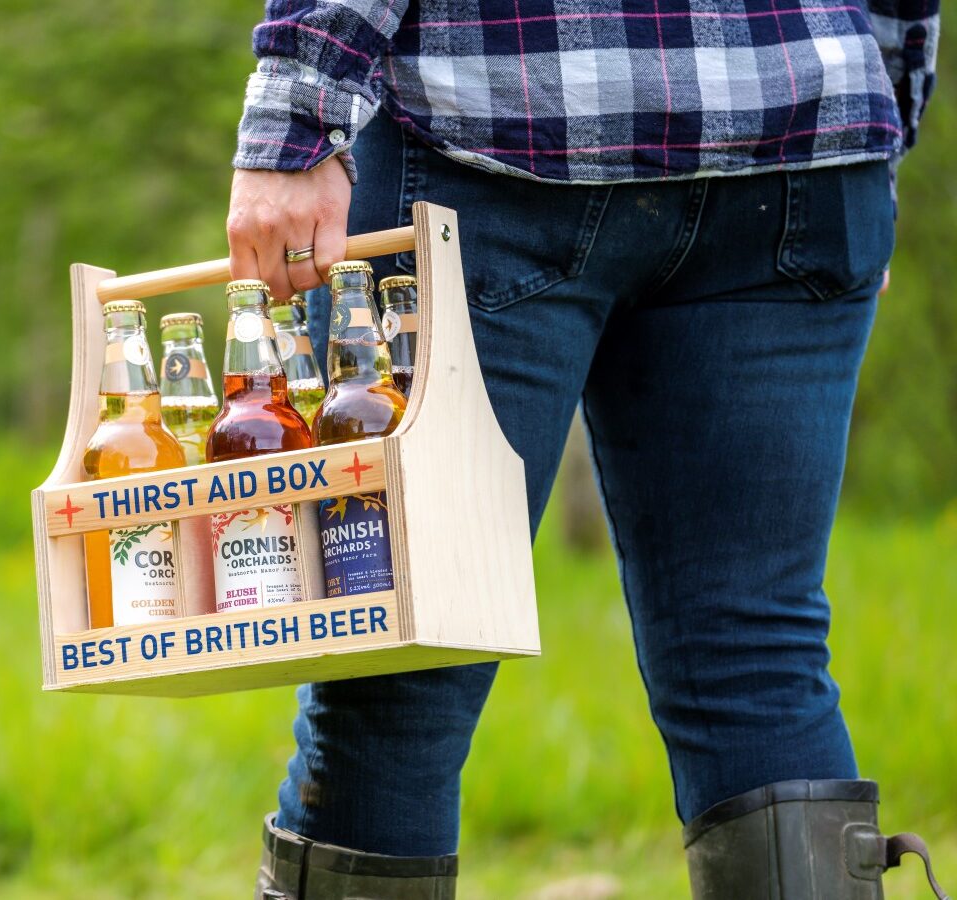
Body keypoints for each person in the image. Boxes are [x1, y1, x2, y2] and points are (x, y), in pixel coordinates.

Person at [224, 1, 948, 898]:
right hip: (799, 134)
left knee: (403, 667)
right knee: (756, 651)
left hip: (497, 126)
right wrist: (884, 105)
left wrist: (296, 119)